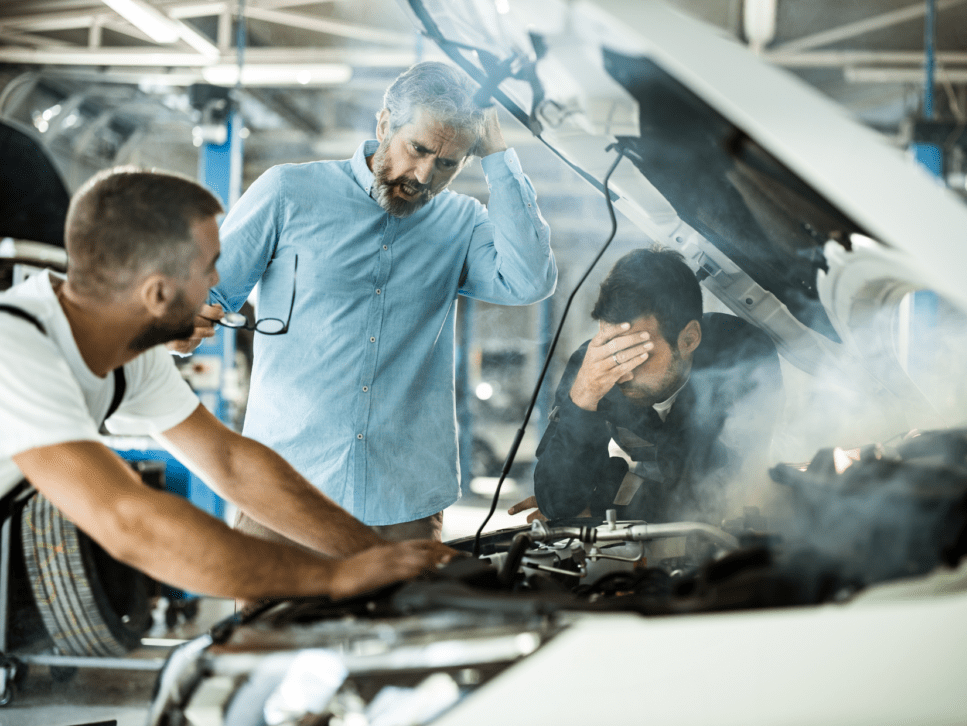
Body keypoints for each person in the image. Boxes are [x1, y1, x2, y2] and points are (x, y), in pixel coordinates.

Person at [0, 167, 453, 603]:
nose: (217, 282)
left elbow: (230, 461)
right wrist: (333, 576)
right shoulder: (15, 349)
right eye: (209, 268)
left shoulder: (128, 349)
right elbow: (129, 523)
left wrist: (373, 554)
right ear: (157, 294)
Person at [183, 61, 557, 543]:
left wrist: (499, 157)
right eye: (417, 149)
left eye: (448, 163)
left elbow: (528, 281)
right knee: (269, 621)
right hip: (285, 490)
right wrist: (184, 324)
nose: (424, 174)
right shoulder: (288, 193)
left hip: (404, 500)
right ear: (385, 125)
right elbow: (205, 294)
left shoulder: (461, 222)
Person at [510, 246, 783, 525]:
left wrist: (604, 503)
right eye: (612, 348)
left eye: (638, 355)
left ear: (688, 339)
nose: (621, 374)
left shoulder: (739, 356)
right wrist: (583, 398)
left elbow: (723, 495)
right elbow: (558, 501)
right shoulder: (595, 367)